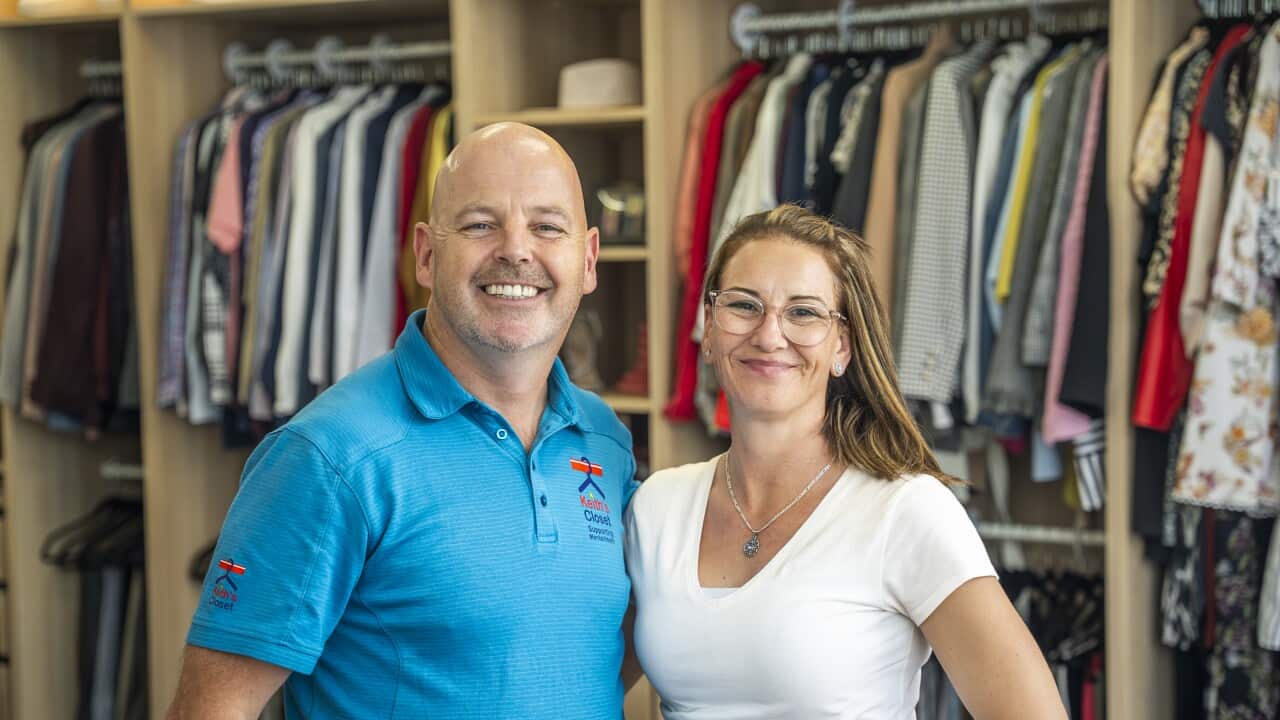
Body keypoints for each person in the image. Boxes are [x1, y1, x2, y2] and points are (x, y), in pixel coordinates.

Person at [166, 123, 639, 719]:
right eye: (479, 224)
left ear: (588, 259)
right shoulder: (328, 455)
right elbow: (212, 710)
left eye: (547, 227)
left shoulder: (605, 441)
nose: (517, 250)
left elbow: (584, 667)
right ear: (426, 253)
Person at [624, 205, 1066, 719]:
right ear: (709, 327)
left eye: (804, 312)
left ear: (843, 347)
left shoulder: (906, 511)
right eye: (744, 305)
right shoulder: (657, 505)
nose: (769, 335)